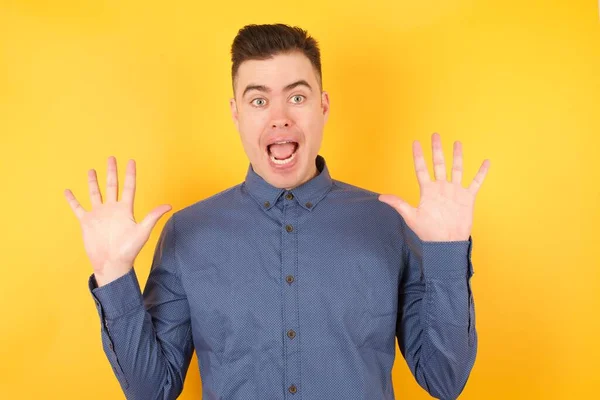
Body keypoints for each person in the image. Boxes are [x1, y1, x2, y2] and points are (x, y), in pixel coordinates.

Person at [64, 23, 489, 400]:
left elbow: (444, 379)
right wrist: (114, 275)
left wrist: (447, 254)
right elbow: (152, 391)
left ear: (323, 106)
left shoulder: (388, 225)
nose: (280, 118)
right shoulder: (186, 233)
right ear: (236, 114)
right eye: (258, 101)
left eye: (297, 97)